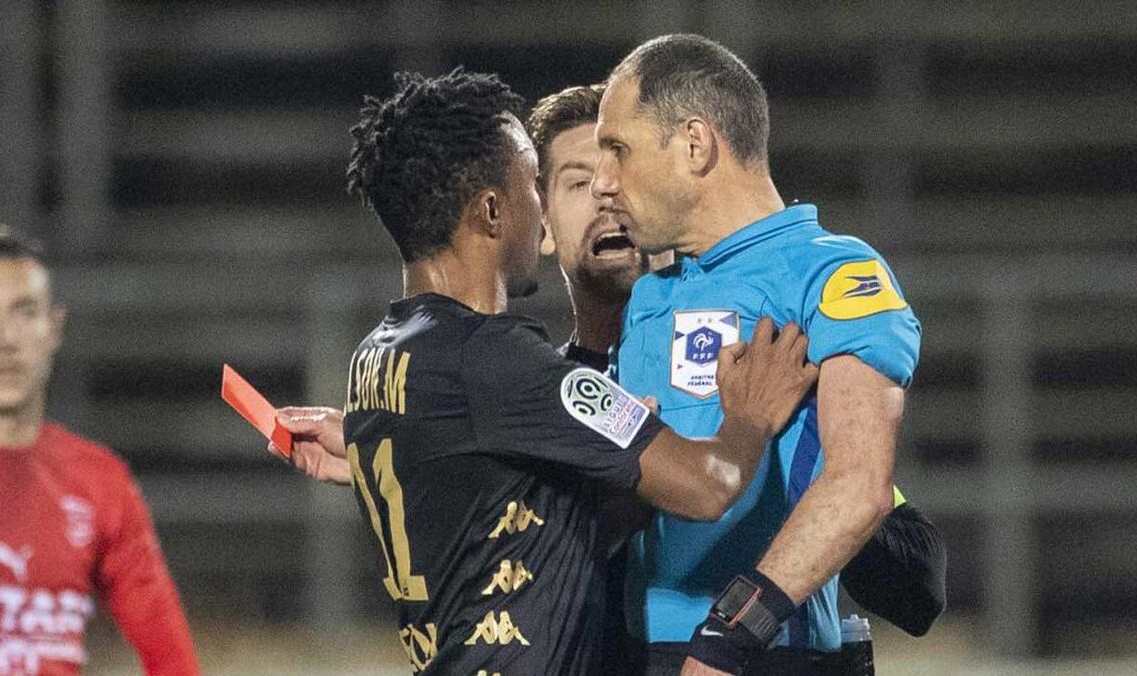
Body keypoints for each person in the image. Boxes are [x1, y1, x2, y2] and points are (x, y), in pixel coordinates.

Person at [271, 68, 819, 675]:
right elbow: (709, 482)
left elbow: (507, 509)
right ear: (490, 210)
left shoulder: (378, 353)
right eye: (533, 184)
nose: (542, 209)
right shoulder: (495, 358)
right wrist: (748, 416)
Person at [527, 83, 945, 670]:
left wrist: (799, 474)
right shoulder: (536, 395)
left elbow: (916, 579)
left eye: (623, 161)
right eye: (580, 181)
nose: (608, 191)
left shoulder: (770, 342)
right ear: (541, 223)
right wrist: (658, 475)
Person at [0, 225, 200, 675]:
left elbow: (173, 661)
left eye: (25, 312)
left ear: (53, 329)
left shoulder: (98, 480)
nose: (5, 339)